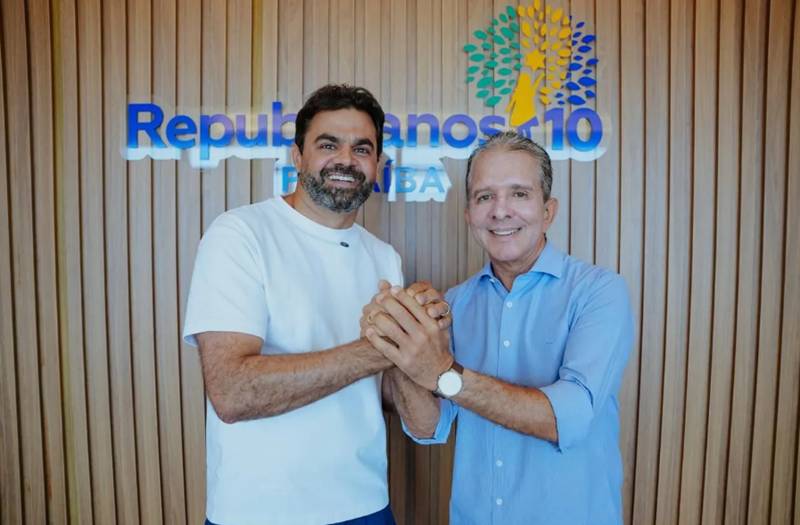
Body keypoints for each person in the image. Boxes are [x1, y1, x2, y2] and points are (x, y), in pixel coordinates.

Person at [183, 84, 447, 525]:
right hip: (257, 513)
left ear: (377, 164)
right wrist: (380, 348)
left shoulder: (384, 257)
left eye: (361, 148)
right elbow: (232, 392)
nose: (346, 160)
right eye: (328, 145)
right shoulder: (240, 234)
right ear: (297, 156)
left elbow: (400, 406)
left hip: (366, 505)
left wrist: (419, 340)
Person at [363, 131, 634, 524]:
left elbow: (568, 418)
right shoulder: (455, 303)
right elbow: (428, 427)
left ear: (548, 211)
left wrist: (444, 373)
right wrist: (398, 340)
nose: (500, 211)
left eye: (519, 194)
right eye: (484, 196)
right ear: (469, 215)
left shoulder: (599, 291)